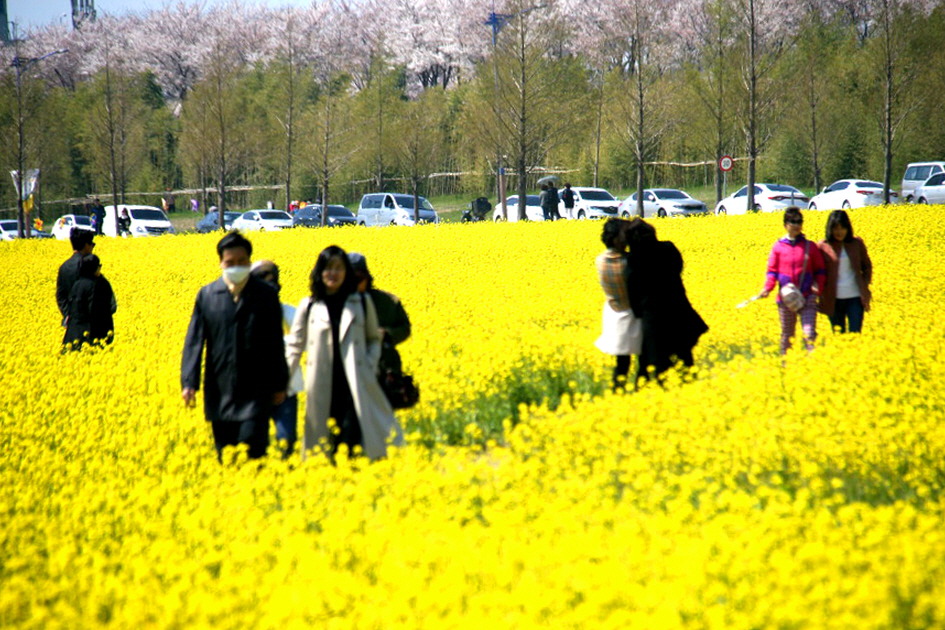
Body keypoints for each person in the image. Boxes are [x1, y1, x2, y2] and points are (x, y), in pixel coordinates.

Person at [285, 246, 403, 462]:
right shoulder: (309, 306)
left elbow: (373, 340)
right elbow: (294, 345)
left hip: (355, 381)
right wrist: (284, 380)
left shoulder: (361, 303)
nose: (333, 273)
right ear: (320, 273)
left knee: (353, 435)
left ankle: (353, 474)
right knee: (323, 440)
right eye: (328, 268)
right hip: (322, 382)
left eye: (339, 268)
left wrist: (368, 363)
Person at [181, 232, 288, 462]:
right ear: (221, 262)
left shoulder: (265, 295)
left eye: (242, 262)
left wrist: (280, 383)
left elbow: (275, 343)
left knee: (253, 453)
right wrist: (189, 383)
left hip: (256, 392)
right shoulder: (208, 295)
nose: (236, 267)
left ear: (250, 262)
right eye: (230, 262)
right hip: (220, 392)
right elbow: (194, 341)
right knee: (226, 457)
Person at [624, 218, 708, 381]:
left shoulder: (633, 260)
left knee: (655, 370)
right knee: (685, 365)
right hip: (679, 316)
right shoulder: (668, 249)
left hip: (653, 322)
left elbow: (632, 293)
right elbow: (678, 269)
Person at [250, 260, 303, 458]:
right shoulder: (244, 314)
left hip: (286, 389)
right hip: (253, 390)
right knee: (255, 442)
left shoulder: (289, 312)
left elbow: (301, 339)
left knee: (286, 439)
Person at [758, 207, 826, 354]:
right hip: (786, 299)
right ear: (785, 224)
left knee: (810, 334)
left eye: (799, 222)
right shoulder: (778, 247)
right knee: (787, 335)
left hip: (808, 296)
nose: (796, 225)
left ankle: (814, 365)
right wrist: (767, 288)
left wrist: (817, 287)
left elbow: (820, 270)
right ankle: (786, 365)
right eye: (792, 222)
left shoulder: (810, 246)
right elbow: (772, 272)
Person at [594, 219, 642, 392]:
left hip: (613, 314)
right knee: (643, 360)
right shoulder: (628, 262)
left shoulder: (600, 260)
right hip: (633, 315)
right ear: (615, 239)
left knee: (622, 362)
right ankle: (639, 391)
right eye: (624, 234)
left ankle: (618, 392)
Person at [347, 252, 412, 375]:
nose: (354, 284)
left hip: (384, 368)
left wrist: (386, 334)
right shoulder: (331, 305)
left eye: (358, 279)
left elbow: (404, 328)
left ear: (367, 277)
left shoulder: (388, 302)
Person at [818, 210, 872, 333]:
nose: (839, 232)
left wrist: (865, 284)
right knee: (839, 336)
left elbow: (867, 266)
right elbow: (817, 271)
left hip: (855, 298)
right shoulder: (823, 246)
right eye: (836, 228)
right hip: (833, 299)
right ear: (830, 229)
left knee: (855, 334)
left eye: (843, 228)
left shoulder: (856, 243)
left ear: (848, 228)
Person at [62, 254, 117, 350]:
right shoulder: (99, 284)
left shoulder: (77, 284)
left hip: (73, 336)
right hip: (93, 336)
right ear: (94, 268)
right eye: (99, 266)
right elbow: (109, 308)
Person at [56, 228, 96, 326]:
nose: (92, 247)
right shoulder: (88, 265)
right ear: (86, 245)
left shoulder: (64, 266)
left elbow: (60, 295)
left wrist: (68, 315)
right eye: (92, 244)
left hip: (71, 323)